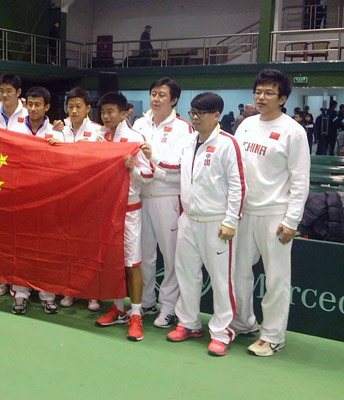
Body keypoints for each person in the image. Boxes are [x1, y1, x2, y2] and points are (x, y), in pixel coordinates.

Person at [232, 69, 310, 357]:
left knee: (276, 278)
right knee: (238, 272)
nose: (261, 97)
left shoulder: (293, 131)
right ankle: (243, 322)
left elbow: (300, 179)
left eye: (268, 93)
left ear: (283, 98)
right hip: (244, 212)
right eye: (258, 92)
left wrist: (291, 220)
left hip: (276, 215)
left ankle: (273, 336)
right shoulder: (246, 125)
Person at [163, 93, 245, 357]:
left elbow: (238, 185)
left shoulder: (228, 144)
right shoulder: (189, 142)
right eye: (192, 112)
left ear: (216, 115)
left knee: (221, 281)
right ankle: (188, 323)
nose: (195, 118)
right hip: (188, 219)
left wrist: (230, 221)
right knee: (186, 275)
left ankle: (222, 333)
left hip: (216, 222)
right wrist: (149, 158)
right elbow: (174, 168)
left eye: (200, 113)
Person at [132, 77, 193, 329]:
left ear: (174, 99)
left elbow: (179, 166)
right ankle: (146, 302)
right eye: (153, 94)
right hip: (140, 197)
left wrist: (152, 157)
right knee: (144, 255)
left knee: (171, 258)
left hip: (168, 198)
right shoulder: (139, 123)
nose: (156, 99)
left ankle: (168, 308)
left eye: (162, 95)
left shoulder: (182, 128)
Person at [95, 92, 154, 342]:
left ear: (123, 113)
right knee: (112, 261)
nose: (106, 116)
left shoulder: (134, 139)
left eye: (111, 111)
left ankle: (136, 314)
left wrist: (133, 168)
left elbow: (149, 175)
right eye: (103, 112)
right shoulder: (99, 137)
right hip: (106, 209)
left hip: (129, 209)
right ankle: (118, 308)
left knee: (132, 263)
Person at [6, 86, 62, 315]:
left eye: (38, 104)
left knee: (46, 248)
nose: (34, 108)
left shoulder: (57, 133)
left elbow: (65, 165)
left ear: (47, 107)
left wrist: (57, 149)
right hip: (21, 197)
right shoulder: (15, 129)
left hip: (47, 200)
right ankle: (20, 293)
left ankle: (47, 294)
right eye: (30, 104)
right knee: (20, 247)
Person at [51, 87, 104, 311]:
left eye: (78, 106)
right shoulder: (59, 130)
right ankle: (69, 290)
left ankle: (92, 293)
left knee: (89, 247)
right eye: (70, 106)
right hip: (65, 197)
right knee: (68, 245)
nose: (73, 111)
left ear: (88, 108)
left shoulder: (98, 131)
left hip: (90, 197)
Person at [0, 73, 29, 298]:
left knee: (20, 237)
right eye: (1, 91)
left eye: (9, 91)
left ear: (18, 93)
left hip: (22, 183)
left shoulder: (29, 115)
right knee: (0, 236)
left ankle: (20, 283)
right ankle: (3, 280)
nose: (4, 95)